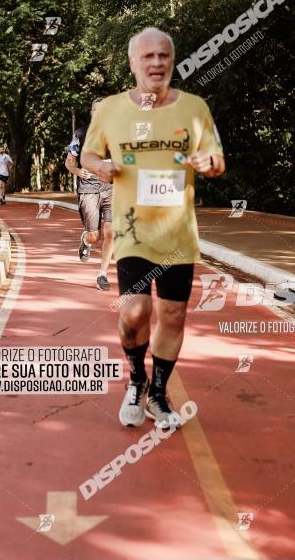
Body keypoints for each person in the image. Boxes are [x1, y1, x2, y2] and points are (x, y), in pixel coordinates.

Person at [82, 27, 225, 430]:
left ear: (172, 60)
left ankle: (158, 395)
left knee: (174, 315)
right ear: (133, 64)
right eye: (148, 57)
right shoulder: (109, 109)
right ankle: (136, 379)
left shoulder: (195, 107)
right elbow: (89, 153)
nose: (157, 63)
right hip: (132, 230)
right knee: (134, 311)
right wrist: (100, 166)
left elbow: (217, 159)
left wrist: (209, 164)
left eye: (163, 56)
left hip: (178, 233)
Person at [64, 100, 114, 290]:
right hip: (88, 187)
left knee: (111, 233)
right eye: (96, 110)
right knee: (96, 235)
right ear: (91, 112)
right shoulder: (80, 134)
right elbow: (69, 163)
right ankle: (86, 240)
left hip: (111, 187)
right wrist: (77, 172)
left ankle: (102, 274)